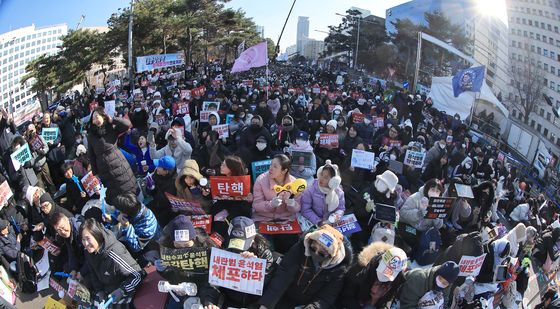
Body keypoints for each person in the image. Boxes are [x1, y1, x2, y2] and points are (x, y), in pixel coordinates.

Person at [258, 224, 352, 309]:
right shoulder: (300, 249)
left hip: (310, 303)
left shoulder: (339, 269)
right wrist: (266, 304)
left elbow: (326, 296)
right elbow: (283, 276)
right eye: (313, 248)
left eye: (321, 253)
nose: (315, 254)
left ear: (331, 256)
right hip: (286, 296)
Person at [155, 215, 220, 309]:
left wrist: (208, 301)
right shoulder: (167, 248)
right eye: (178, 245)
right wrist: (163, 271)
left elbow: (214, 279)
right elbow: (170, 275)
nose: (182, 248)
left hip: (205, 288)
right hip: (181, 289)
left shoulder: (208, 248)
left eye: (186, 244)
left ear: (194, 239)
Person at [80, 218, 145, 308]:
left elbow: (138, 275)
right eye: (83, 239)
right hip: (108, 292)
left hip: (128, 291)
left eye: (88, 238)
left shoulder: (114, 252)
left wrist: (122, 290)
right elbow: (93, 273)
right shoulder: (89, 252)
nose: (86, 243)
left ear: (97, 235)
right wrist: (100, 292)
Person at [220, 216, 274, 308]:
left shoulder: (264, 254)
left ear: (253, 238)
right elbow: (215, 281)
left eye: (242, 243)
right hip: (230, 300)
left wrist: (255, 265)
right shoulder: (224, 251)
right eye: (235, 242)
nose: (238, 249)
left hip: (254, 302)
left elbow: (266, 285)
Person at [252, 154, 302, 253]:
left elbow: (297, 207)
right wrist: (271, 204)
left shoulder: (294, 183)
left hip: (285, 221)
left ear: (284, 170)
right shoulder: (261, 180)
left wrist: (292, 204)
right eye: (271, 165)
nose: (270, 168)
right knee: (263, 248)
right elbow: (256, 205)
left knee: (290, 248)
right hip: (264, 219)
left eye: (275, 166)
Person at [87, 107, 137, 205]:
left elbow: (127, 124)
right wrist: (95, 173)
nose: (95, 120)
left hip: (118, 163)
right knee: (116, 198)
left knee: (128, 191)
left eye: (97, 117)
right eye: (93, 118)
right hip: (104, 170)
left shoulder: (111, 127)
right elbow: (91, 155)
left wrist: (113, 119)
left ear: (103, 116)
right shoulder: (91, 135)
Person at [338, 243, 407, 309]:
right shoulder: (358, 270)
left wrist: (376, 300)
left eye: (390, 273)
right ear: (381, 260)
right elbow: (346, 296)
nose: (384, 275)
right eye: (384, 269)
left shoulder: (398, 279)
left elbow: (389, 300)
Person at [111, 193, 160, 266]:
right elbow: (118, 213)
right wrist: (111, 219)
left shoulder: (148, 224)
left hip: (146, 245)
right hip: (129, 236)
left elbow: (136, 247)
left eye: (120, 211)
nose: (118, 212)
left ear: (126, 213)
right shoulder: (132, 206)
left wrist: (127, 227)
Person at [211, 156, 253, 238]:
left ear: (231, 168)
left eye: (224, 165)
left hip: (237, 214)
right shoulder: (220, 180)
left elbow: (245, 207)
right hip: (222, 211)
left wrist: (249, 200)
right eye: (222, 164)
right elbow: (218, 201)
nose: (221, 166)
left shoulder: (244, 183)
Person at [300, 160, 345, 226]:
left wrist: (333, 219)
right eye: (321, 174)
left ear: (333, 181)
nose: (321, 178)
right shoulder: (310, 190)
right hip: (313, 222)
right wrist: (319, 222)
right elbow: (305, 210)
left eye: (326, 177)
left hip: (331, 223)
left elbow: (340, 209)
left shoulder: (339, 192)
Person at [48, 211, 85, 275]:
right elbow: (71, 252)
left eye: (63, 227)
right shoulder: (67, 235)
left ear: (67, 220)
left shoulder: (81, 230)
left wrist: (81, 272)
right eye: (58, 230)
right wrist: (73, 269)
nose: (62, 231)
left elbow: (90, 256)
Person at [147, 156, 177, 226]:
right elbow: (149, 192)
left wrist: (154, 189)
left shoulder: (173, 183)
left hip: (166, 211)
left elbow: (164, 202)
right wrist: (149, 187)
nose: (157, 167)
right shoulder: (157, 173)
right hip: (155, 203)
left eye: (159, 166)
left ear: (166, 171)